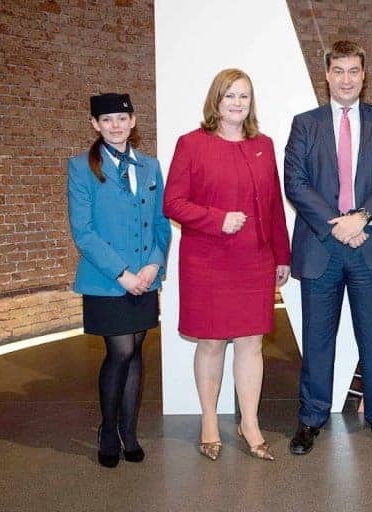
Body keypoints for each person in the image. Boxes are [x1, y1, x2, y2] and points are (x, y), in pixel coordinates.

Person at [163, 69, 290, 462]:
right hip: (208, 260)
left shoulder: (264, 145)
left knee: (251, 344)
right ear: (215, 100)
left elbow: (273, 206)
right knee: (212, 342)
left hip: (254, 259)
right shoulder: (191, 144)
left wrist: (282, 256)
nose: (237, 103)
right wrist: (217, 219)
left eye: (244, 97)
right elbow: (172, 203)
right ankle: (208, 421)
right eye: (230, 95)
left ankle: (249, 423)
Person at [284, 40, 372, 454]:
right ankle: (312, 417)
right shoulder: (305, 124)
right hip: (322, 247)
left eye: (354, 71)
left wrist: (361, 218)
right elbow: (295, 182)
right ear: (328, 75)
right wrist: (335, 226)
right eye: (339, 71)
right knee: (318, 340)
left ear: (364, 75)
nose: (347, 79)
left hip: (368, 244)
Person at [68, 93, 171, 467]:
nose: (115, 125)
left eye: (122, 118)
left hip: (144, 279)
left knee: (136, 352)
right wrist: (123, 274)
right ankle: (108, 429)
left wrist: (153, 266)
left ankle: (129, 430)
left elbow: (161, 223)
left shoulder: (149, 166)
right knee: (121, 352)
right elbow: (84, 231)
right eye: (107, 119)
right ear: (95, 124)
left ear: (133, 121)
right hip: (107, 280)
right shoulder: (81, 168)